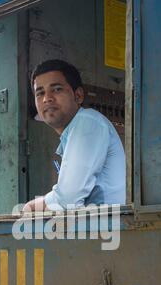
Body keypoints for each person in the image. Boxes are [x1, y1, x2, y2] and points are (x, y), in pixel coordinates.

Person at [23, 59, 126, 212]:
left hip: (106, 228)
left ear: (78, 96)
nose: (47, 98)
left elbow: (67, 200)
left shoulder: (88, 123)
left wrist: (32, 207)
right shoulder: (75, 130)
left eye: (56, 89)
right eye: (40, 93)